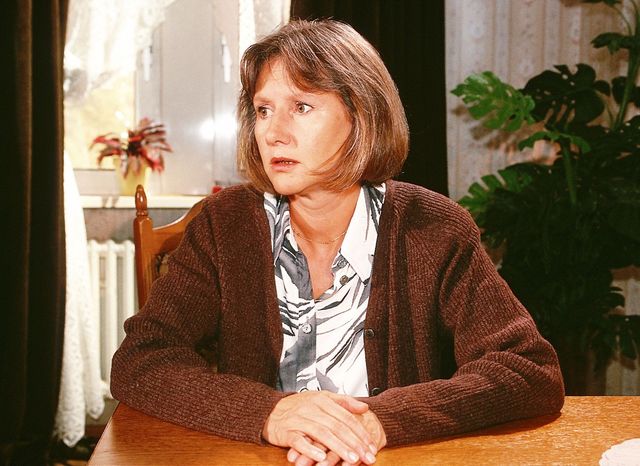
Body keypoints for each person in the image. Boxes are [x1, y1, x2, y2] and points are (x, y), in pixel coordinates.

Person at [111, 19, 564, 466]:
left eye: (301, 107)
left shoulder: (431, 228)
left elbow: (528, 369)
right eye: (264, 110)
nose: (273, 132)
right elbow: (141, 360)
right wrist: (268, 411)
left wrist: (383, 419)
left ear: (360, 115)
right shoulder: (225, 224)